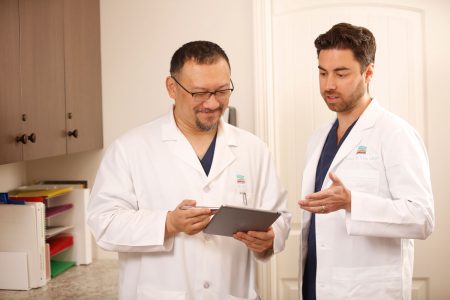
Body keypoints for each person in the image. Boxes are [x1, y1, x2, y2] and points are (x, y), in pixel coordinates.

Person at [88, 40, 291, 300]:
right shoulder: (130, 149)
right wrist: (168, 223)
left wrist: (270, 239)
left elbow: (281, 217)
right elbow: (103, 224)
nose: (212, 103)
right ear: (172, 88)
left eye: (222, 91)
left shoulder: (253, 149)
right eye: (199, 93)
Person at [298, 23, 435, 300]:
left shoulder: (395, 133)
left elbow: (422, 218)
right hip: (316, 286)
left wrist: (352, 203)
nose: (329, 85)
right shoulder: (318, 138)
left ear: (368, 72)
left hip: (366, 291)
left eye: (341, 73)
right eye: (323, 73)